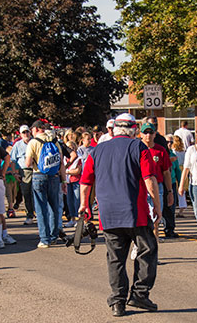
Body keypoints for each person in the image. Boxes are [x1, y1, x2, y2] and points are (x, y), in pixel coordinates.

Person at [78, 113, 161, 317]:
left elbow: (85, 181)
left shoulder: (98, 150)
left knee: (115, 257)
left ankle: (118, 301)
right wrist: (157, 205)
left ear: (113, 129)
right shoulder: (138, 147)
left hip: (109, 213)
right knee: (147, 250)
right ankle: (140, 293)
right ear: (133, 129)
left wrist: (84, 205)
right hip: (135, 212)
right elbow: (149, 178)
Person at [26, 120, 66, 248]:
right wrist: (63, 180)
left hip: (38, 175)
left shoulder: (33, 143)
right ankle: (54, 236)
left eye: (32, 130)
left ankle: (44, 239)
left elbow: (27, 163)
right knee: (54, 207)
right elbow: (61, 163)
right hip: (54, 177)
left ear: (37, 129)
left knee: (41, 208)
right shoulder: (55, 142)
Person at [10, 125, 36, 225]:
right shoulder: (17, 145)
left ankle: (39, 213)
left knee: (37, 193)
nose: (26, 134)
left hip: (36, 169)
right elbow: (12, 160)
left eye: (27, 132)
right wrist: (14, 173)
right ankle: (29, 214)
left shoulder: (35, 142)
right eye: (23, 132)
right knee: (27, 194)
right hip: (24, 171)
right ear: (20, 134)